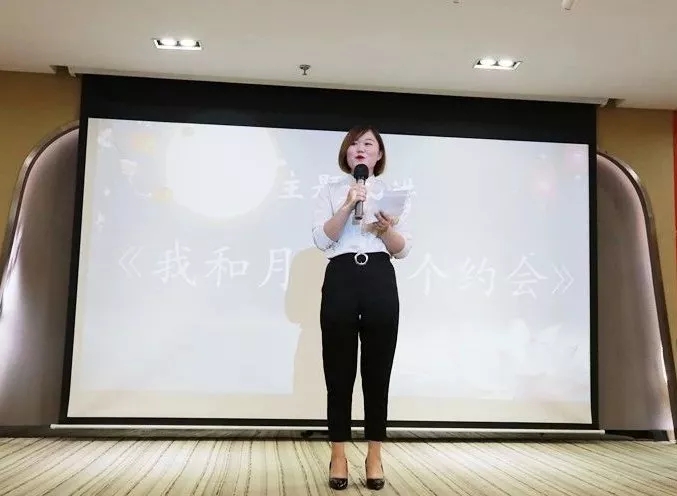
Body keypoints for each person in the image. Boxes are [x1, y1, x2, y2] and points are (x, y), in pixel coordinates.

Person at [311, 125, 412, 491]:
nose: (360, 148)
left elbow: (403, 249)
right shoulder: (330, 190)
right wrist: (348, 204)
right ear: (346, 152)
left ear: (379, 154)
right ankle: (338, 454)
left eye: (368, 143)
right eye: (354, 143)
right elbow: (322, 239)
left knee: (377, 370)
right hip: (341, 276)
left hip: (379, 278)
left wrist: (385, 230)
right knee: (338, 371)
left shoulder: (394, 194)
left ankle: (374, 455)